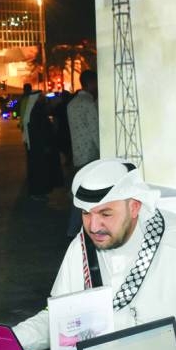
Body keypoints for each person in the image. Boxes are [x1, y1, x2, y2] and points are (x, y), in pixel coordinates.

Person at [13, 158, 176, 350]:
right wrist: (7, 342)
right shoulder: (82, 247)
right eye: (85, 213)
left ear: (134, 207)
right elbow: (59, 318)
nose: (93, 226)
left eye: (105, 214)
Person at [64, 70, 100, 235]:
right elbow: (95, 131)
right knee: (86, 195)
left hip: (78, 154)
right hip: (90, 155)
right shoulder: (88, 104)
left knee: (80, 192)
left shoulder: (72, 103)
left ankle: (74, 229)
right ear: (90, 83)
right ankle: (74, 229)